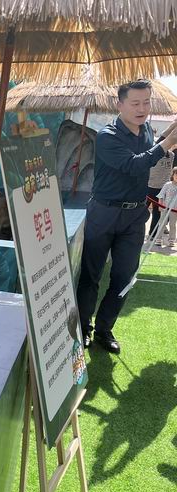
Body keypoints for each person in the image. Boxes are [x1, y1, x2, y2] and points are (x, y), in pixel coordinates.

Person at [76, 79, 177, 353]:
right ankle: (83, 327)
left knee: (124, 277)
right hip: (104, 212)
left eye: (146, 102)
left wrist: (170, 133)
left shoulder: (146, 131)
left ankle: (104, 329)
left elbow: (152, 150)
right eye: (135, 103)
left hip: (135, 216)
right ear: (120, 105)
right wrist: (169, 141)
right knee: (91, 275)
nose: (142, 108)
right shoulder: (107, 136)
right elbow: (134, 165)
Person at [156, 167, 177, 247]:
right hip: (165, 208)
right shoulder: (168, 184)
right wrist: (160, 205)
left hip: (175, 209)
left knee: (172, 225)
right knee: (162, 224)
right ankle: (158, 239)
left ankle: (171, 240)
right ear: (173, 175)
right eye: (176, 174)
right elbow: (161, 195)